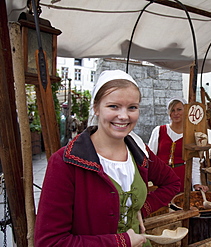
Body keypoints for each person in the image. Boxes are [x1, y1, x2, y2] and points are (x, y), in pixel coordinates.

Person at [34, 70, 181, 247]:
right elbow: (50, 242)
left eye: (132, 107)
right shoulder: (66, 162)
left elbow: (172, 183)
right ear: (96, 108)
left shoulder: (140, 152)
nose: (124, 116)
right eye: (113, 106)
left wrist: (141, 208)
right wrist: (121, 241)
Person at [148, 97, 209, 193]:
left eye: (179, 109)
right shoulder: (159, 131)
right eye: (172, 110)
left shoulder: (191, 134)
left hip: (182, 178)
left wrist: (196, 183)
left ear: (186, 111)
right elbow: (150, 158)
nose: (176, 113)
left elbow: (195, 162)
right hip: (161, 177)